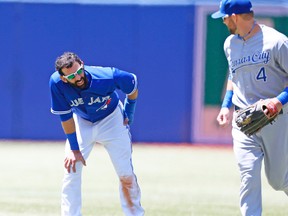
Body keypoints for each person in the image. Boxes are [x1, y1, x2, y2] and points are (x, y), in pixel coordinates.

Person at [212, 0, 288, 215]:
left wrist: (279, 100)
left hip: (276, 118)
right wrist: (226, 106)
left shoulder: (276, 42)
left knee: (279, 180)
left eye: (224, 17)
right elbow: (234, 76)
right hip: (244, 120)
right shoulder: (230, 44)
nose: (223, 22)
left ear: (234, 16)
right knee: (248, 173)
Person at [49, 52, 145, 216]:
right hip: (82, 121)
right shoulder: (57, 83)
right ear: (64, 78)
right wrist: (74, 149)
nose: (78, 77)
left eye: (79, 71)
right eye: (72, 76)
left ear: (82, 64)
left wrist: (130, 110)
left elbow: (132, 85)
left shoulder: (106, 76)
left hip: (112, 120)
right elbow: (65, 117)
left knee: (125, 173)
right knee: (71, 170)